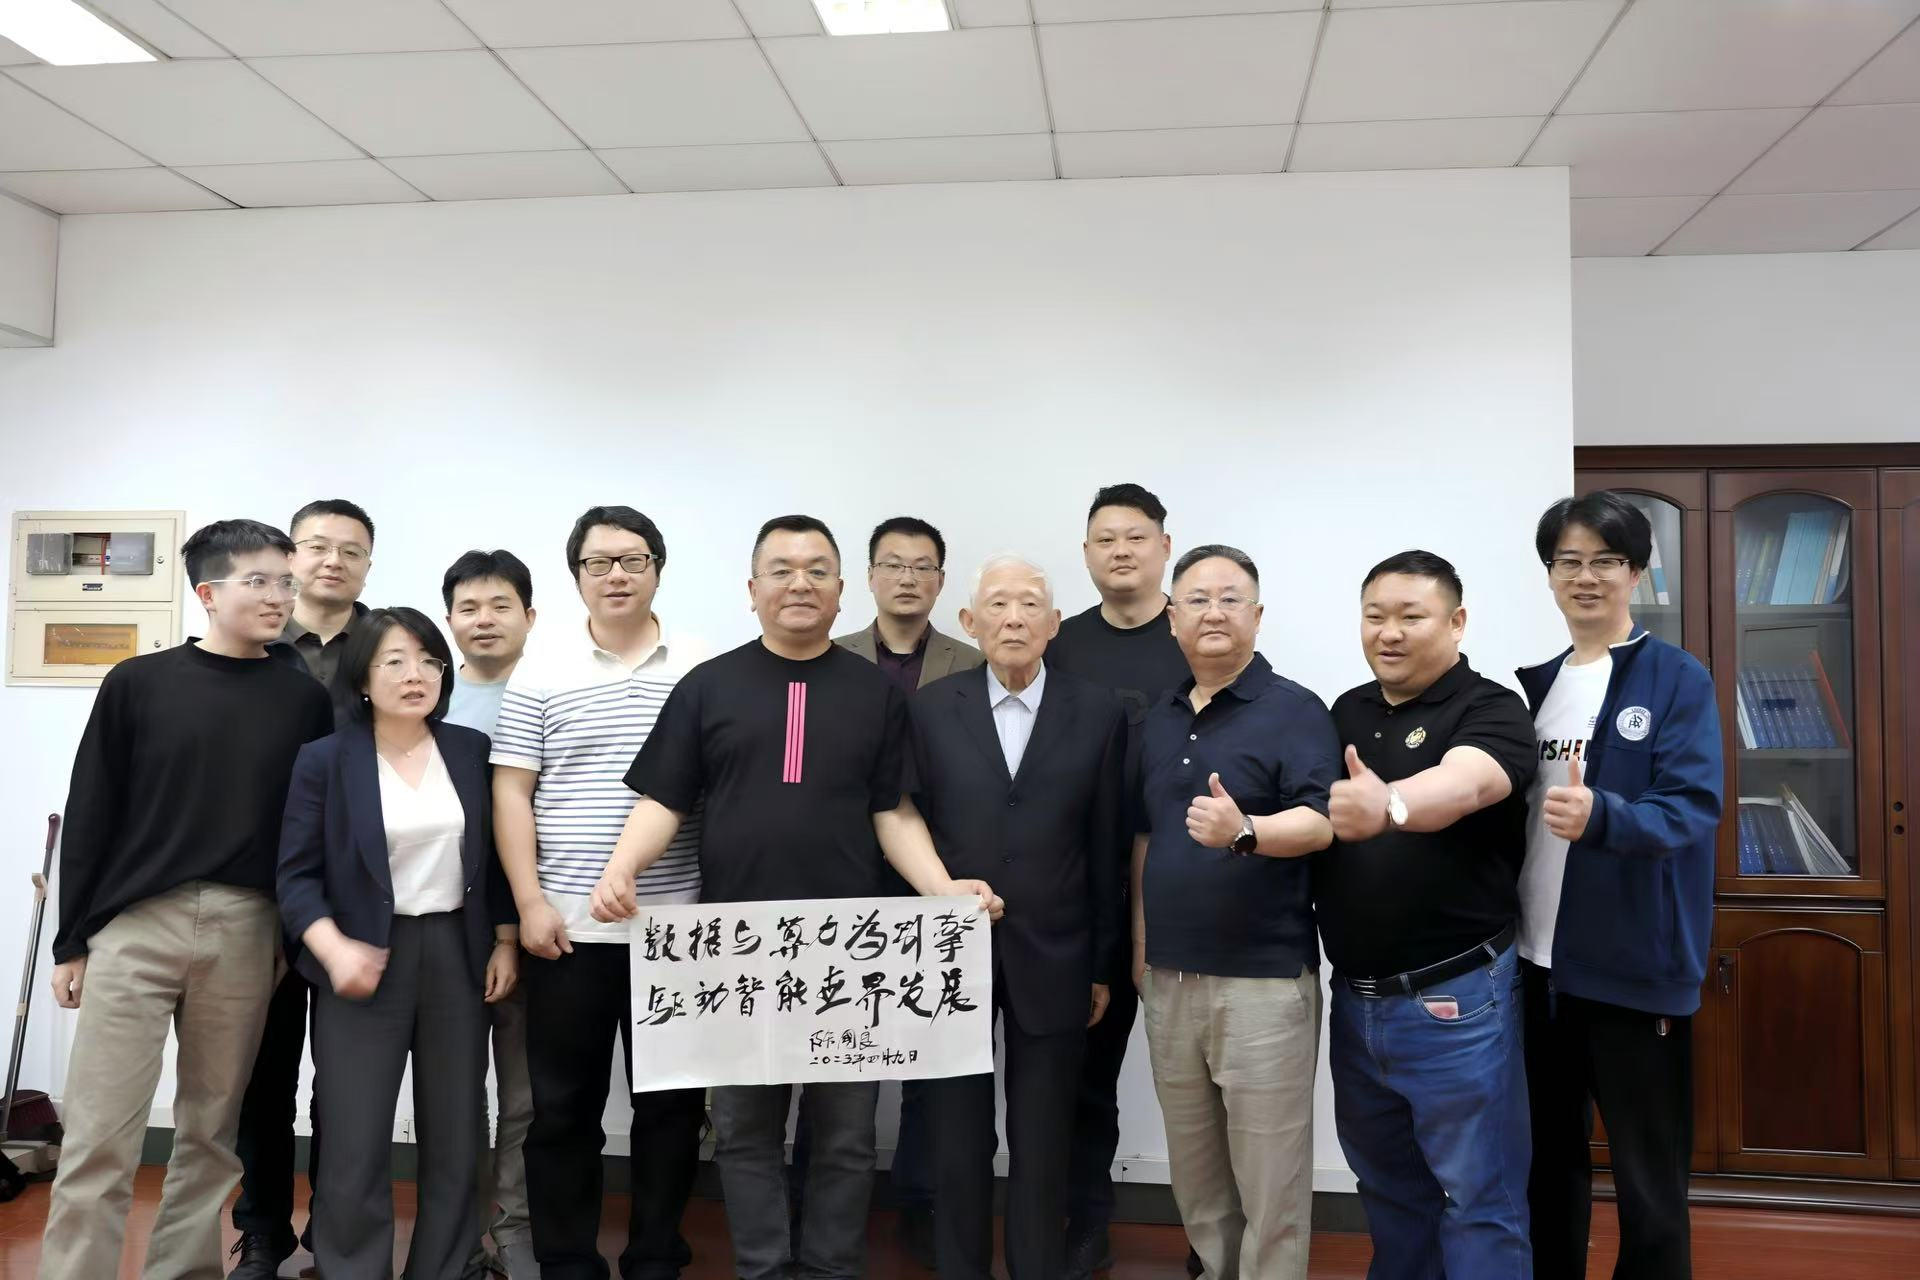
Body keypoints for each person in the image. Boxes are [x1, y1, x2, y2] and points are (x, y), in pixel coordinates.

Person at [589, 514, 1003, 1280]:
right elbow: (665, 799)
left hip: (848, 953)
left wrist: (944, 890)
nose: (799, 584)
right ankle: (763, 1269)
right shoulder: (708, 686)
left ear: (842, 591)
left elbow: (893, 811)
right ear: (752, 590)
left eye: (817, 570)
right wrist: (622, 868)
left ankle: (831, 1269)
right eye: (781, 570)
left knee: (846, 1137)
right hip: (738, 950)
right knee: (744, 1132)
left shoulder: (876, 694)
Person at [38, 520, 333, 1280]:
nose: (278, 596)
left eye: (285, 582)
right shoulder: (137, 683)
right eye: (258, 581)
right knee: (99, 1135)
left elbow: (306, 828)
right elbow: (93, 809)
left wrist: (287, 937)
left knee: (210, 1134)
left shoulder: (302, 699)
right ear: (207, 592)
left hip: (247, 928)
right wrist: (72, 942)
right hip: (136, 925)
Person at [488, 507, 706, 1280]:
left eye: (633, 559)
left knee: (673, 1107)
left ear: (657, 568)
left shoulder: (702, 667)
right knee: (562, 1111)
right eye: (598, 562)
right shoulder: (542, 670)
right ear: (577, 575)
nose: (616, 574)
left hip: (678, 930)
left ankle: (655, 1256)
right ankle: (567, 1261)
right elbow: (512, 792)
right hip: (567, 930)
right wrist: (530, 902)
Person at [1518, 493, 1723, 1280]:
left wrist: (1602, 815)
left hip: (1634, 972)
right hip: (1538, 971)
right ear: (1549, 575)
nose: (1586, 576)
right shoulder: (1538, 688)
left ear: (1636, 572)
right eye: (1568, 561)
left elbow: (1691, 806)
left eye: (1605, 560)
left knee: (1649, 1184)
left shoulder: (1675, 678)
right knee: (1547, 1170)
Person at [279, 607, 518, 1279]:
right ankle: (353, 1268)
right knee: (354, 1130)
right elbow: (295, 876)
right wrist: (333, 950)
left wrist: (504, 940)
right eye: (395, 662)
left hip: (457, 954)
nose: (416, 675)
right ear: (362, 678)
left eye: (429, 661)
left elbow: (496, 858)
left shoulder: (470, 750)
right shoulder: (326, 759)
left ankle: (447, 1265)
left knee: (456, 1127)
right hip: (360, 956)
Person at [907, 555, 1127, 1280]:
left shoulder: (1097, 711)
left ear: (1054, 623)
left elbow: (1106, 846)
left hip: (1057, 953)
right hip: (948, 956)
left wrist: (1101, 964)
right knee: (956, 1138)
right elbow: (909, 828)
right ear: (969, 622)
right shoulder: (930, 709)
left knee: (1044, 1139)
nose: (1014, 618)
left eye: (1030, 604)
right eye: (997, 605)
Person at [1321, 550, 1538, 1277]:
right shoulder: (1347, 711)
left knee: (1479, 1197)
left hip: (1457, 1002)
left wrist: (1391, 803)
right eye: (1375, 616)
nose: (1389, 632)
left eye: (1411, 616)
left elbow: (1468, 783)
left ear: (1456, 621)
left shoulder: (1491, 708)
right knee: (1389, 1190)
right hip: (1356, 1002)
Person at [1131, 544, 1338, 1280]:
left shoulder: (1295, 709)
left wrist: (1246, 829)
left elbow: (1323, 822)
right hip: (1170, 981)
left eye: (1230, 598)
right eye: (1196, 599)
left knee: (1270, 1180)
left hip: (1262, 983)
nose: (1213, 612)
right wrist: (1141, 951)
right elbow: (1145, 839)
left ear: (1257, 614)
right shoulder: (1158, 717)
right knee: (1197, 1179)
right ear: (1172, 619)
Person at [826, 514, 982, 1267]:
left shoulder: (971, 662)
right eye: (893, 564)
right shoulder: (829, 657)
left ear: (941, 582)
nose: (908, 578)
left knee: (929, 1041)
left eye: (923, 566)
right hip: (845, 873)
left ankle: (919, 1197)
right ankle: (829, 1201)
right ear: (870, 577)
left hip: (936, 873)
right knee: (836, 1041)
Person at [1046, 483, 1192, 1279]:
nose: (1121, 551)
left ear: (1165, 546)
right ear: (1087, 554)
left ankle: (1214, 1239)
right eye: (1105, 540)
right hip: (1087, 889)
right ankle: (1086, 1223)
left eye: (1136, 537)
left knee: (1203, 1078)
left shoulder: (1196, 633)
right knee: (1085, 1076)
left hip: (1187, 882)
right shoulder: (1060, 644)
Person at [234, 496, 378, 1278]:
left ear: (368, 565)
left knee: (348, 1077)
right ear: (292, 557)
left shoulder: (388, 644)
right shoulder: (252, 641)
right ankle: (262, 1229)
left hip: (359, 890)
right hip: (264, 888)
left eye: (350, 550)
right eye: (317, 545)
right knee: (264, 1071)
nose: (333, 560)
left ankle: (336, 1228)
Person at [442, 549, 540, 1278]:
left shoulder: (555, 691)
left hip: (538, 918)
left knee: (525, 1093)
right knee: (454, 1090)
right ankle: (459, 1236)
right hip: (450, 923)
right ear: (449, 620)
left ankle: (513, 1229)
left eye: (500, 605)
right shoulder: (429, 701)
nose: (484, 620)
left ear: (530, 616)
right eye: (468, 608)